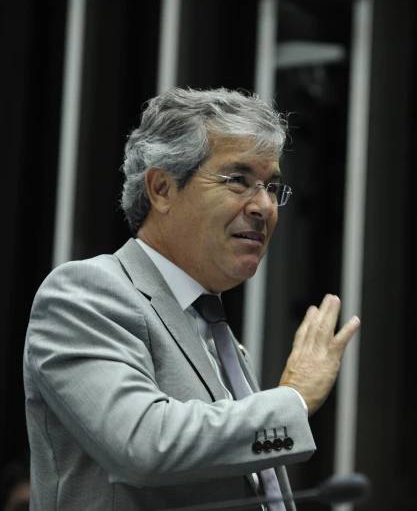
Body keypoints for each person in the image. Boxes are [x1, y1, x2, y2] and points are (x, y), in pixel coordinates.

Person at [23, 87, 360, 511]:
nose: (264, 206)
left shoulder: (214, 330)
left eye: (272, 187)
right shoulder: (85, 292)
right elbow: (142, 444)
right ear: (162, 188)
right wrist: (293, 397)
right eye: (238, 180)